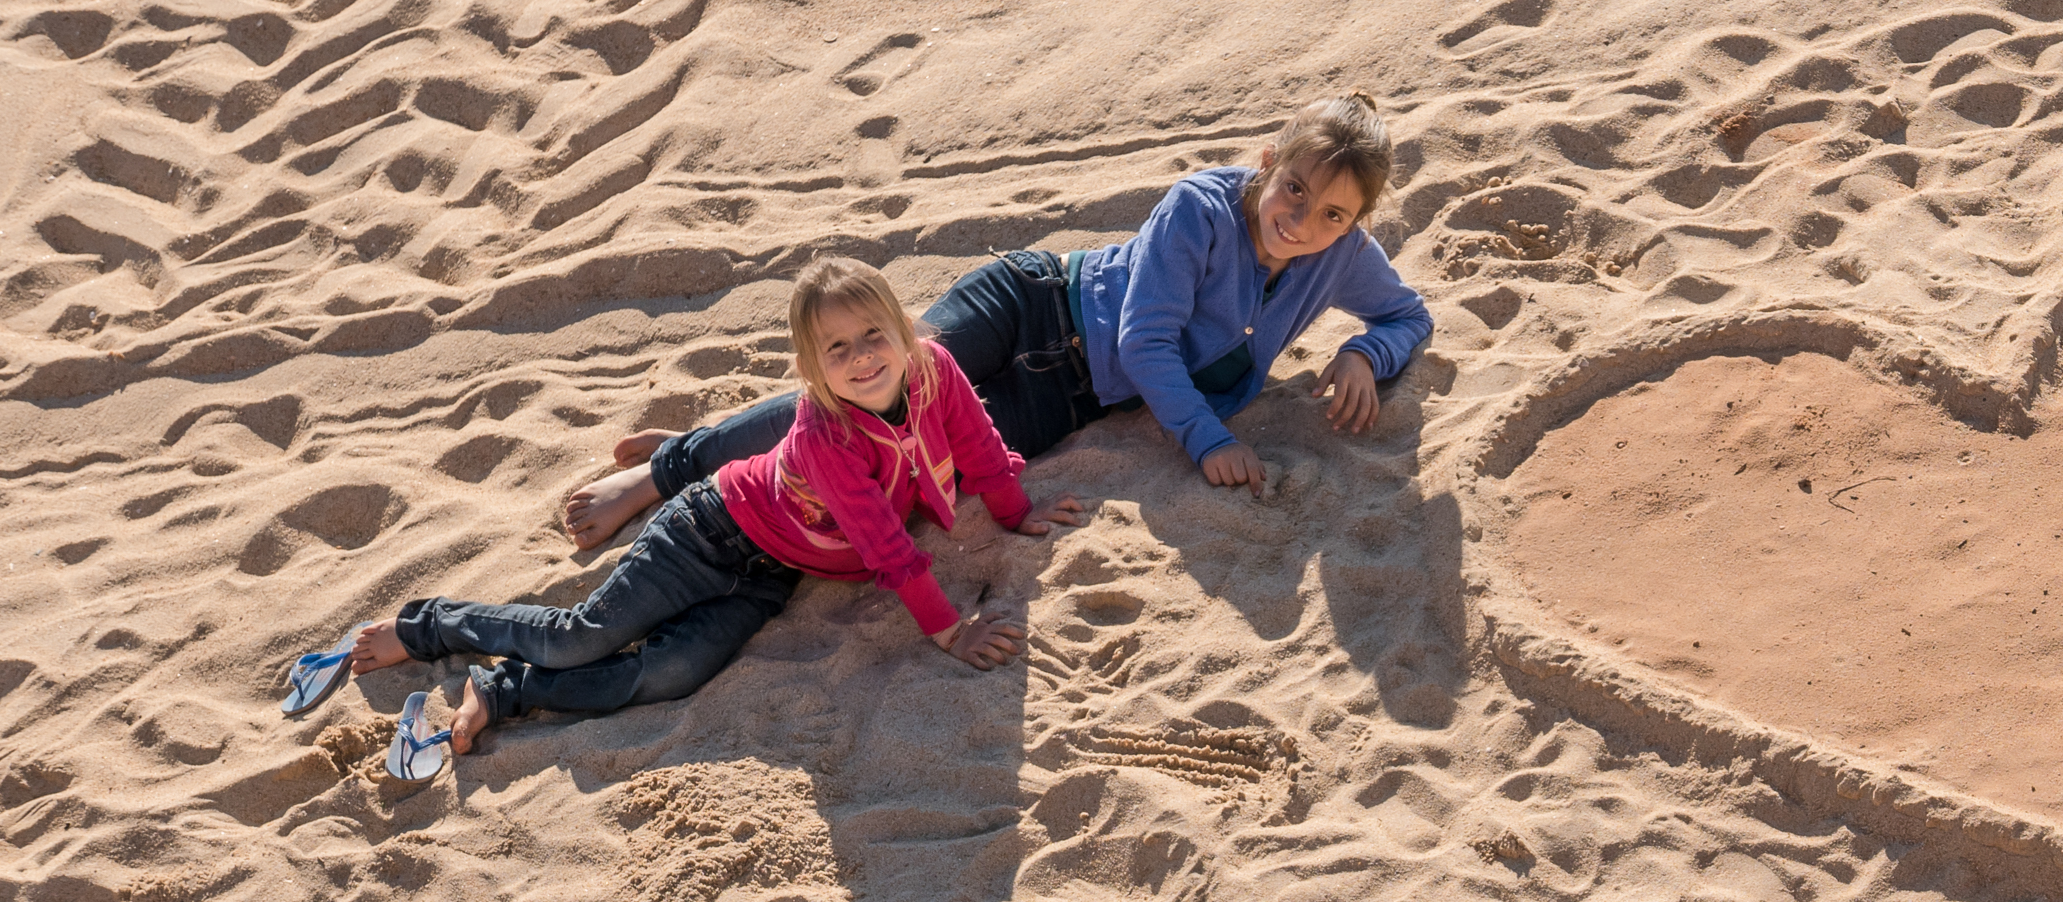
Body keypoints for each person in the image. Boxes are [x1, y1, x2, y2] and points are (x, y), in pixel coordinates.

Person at [561, 91, 1431, 547]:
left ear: (1356, 222)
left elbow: (1408, 314)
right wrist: (1208, 442)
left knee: (902, 463)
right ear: (1269, 162)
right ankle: (667, 472)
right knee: (872, 393)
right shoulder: (1200, 208)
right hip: (1034, 305)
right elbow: (1144, 339)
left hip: (1070, 402)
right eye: (1294, 190)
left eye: (1333, 214)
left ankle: (716, 445)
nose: (1303, 220)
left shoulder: (1342, 257)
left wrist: (1364, 350)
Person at [336, 258, 1086, 752]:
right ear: (809, 367)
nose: (862, 358)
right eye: (836, 350)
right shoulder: (827, 434)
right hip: (708, 531)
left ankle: (506, 690)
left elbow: (980, 444)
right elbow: (889, 550)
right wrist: (950, 632)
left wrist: (1015, 509)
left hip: (771, 574)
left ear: (904, 330)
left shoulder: (936, 368)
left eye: (873, 336)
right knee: (581, 636)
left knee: (674, 674)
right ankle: (427, 625)